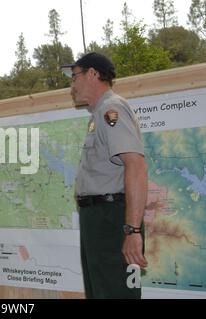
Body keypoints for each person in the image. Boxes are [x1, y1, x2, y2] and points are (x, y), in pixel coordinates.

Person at [61, 52, 148, 299]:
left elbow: (137, 167)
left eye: (74, 76)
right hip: (98, 219)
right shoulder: (98, 115)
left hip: (112, 219)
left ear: (92, 74)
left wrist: (131, 232)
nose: (72, 85)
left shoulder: (112, 109)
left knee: (116, 292)